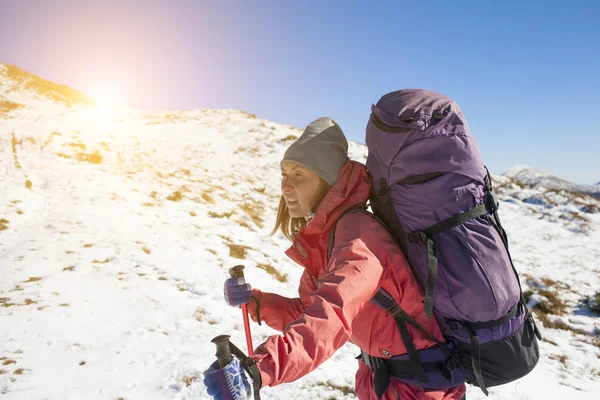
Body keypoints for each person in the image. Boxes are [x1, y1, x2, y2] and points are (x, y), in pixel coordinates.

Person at [203, 117, 467, 400]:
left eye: (299, 175)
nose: (286, 186)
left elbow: (331, 315)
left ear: (327, 181)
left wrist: (259, 370)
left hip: (422, 390)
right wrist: (258, 304)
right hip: (389, 382)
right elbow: (309, 313)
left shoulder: (359, 237)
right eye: (284, 174)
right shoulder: (330, 236)